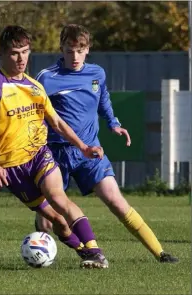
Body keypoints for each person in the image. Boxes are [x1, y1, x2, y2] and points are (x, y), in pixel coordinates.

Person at [0, 25, 109, 269]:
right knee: (57, 221)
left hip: (39, 155)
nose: (21, 58)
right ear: (1, 54)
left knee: (59, 199)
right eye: (14, 53)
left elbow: (56, 122)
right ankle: (82, 252)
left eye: (25, 51)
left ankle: (96, 253)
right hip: (12, 167)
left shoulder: (34, 86)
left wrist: (83, 147)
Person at [34, 24, 178, 263]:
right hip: (55, 154)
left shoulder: (96, 74)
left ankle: (160, 253)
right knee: (48, 221)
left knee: (116, 200)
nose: (75, 56)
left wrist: (113, 123)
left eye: (80, 50)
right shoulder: (47, 78)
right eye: (70, 50)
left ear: (88, 49)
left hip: (90, 151)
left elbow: (103, 100)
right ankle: (39, 251)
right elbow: (36, 114)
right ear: (61, 48)